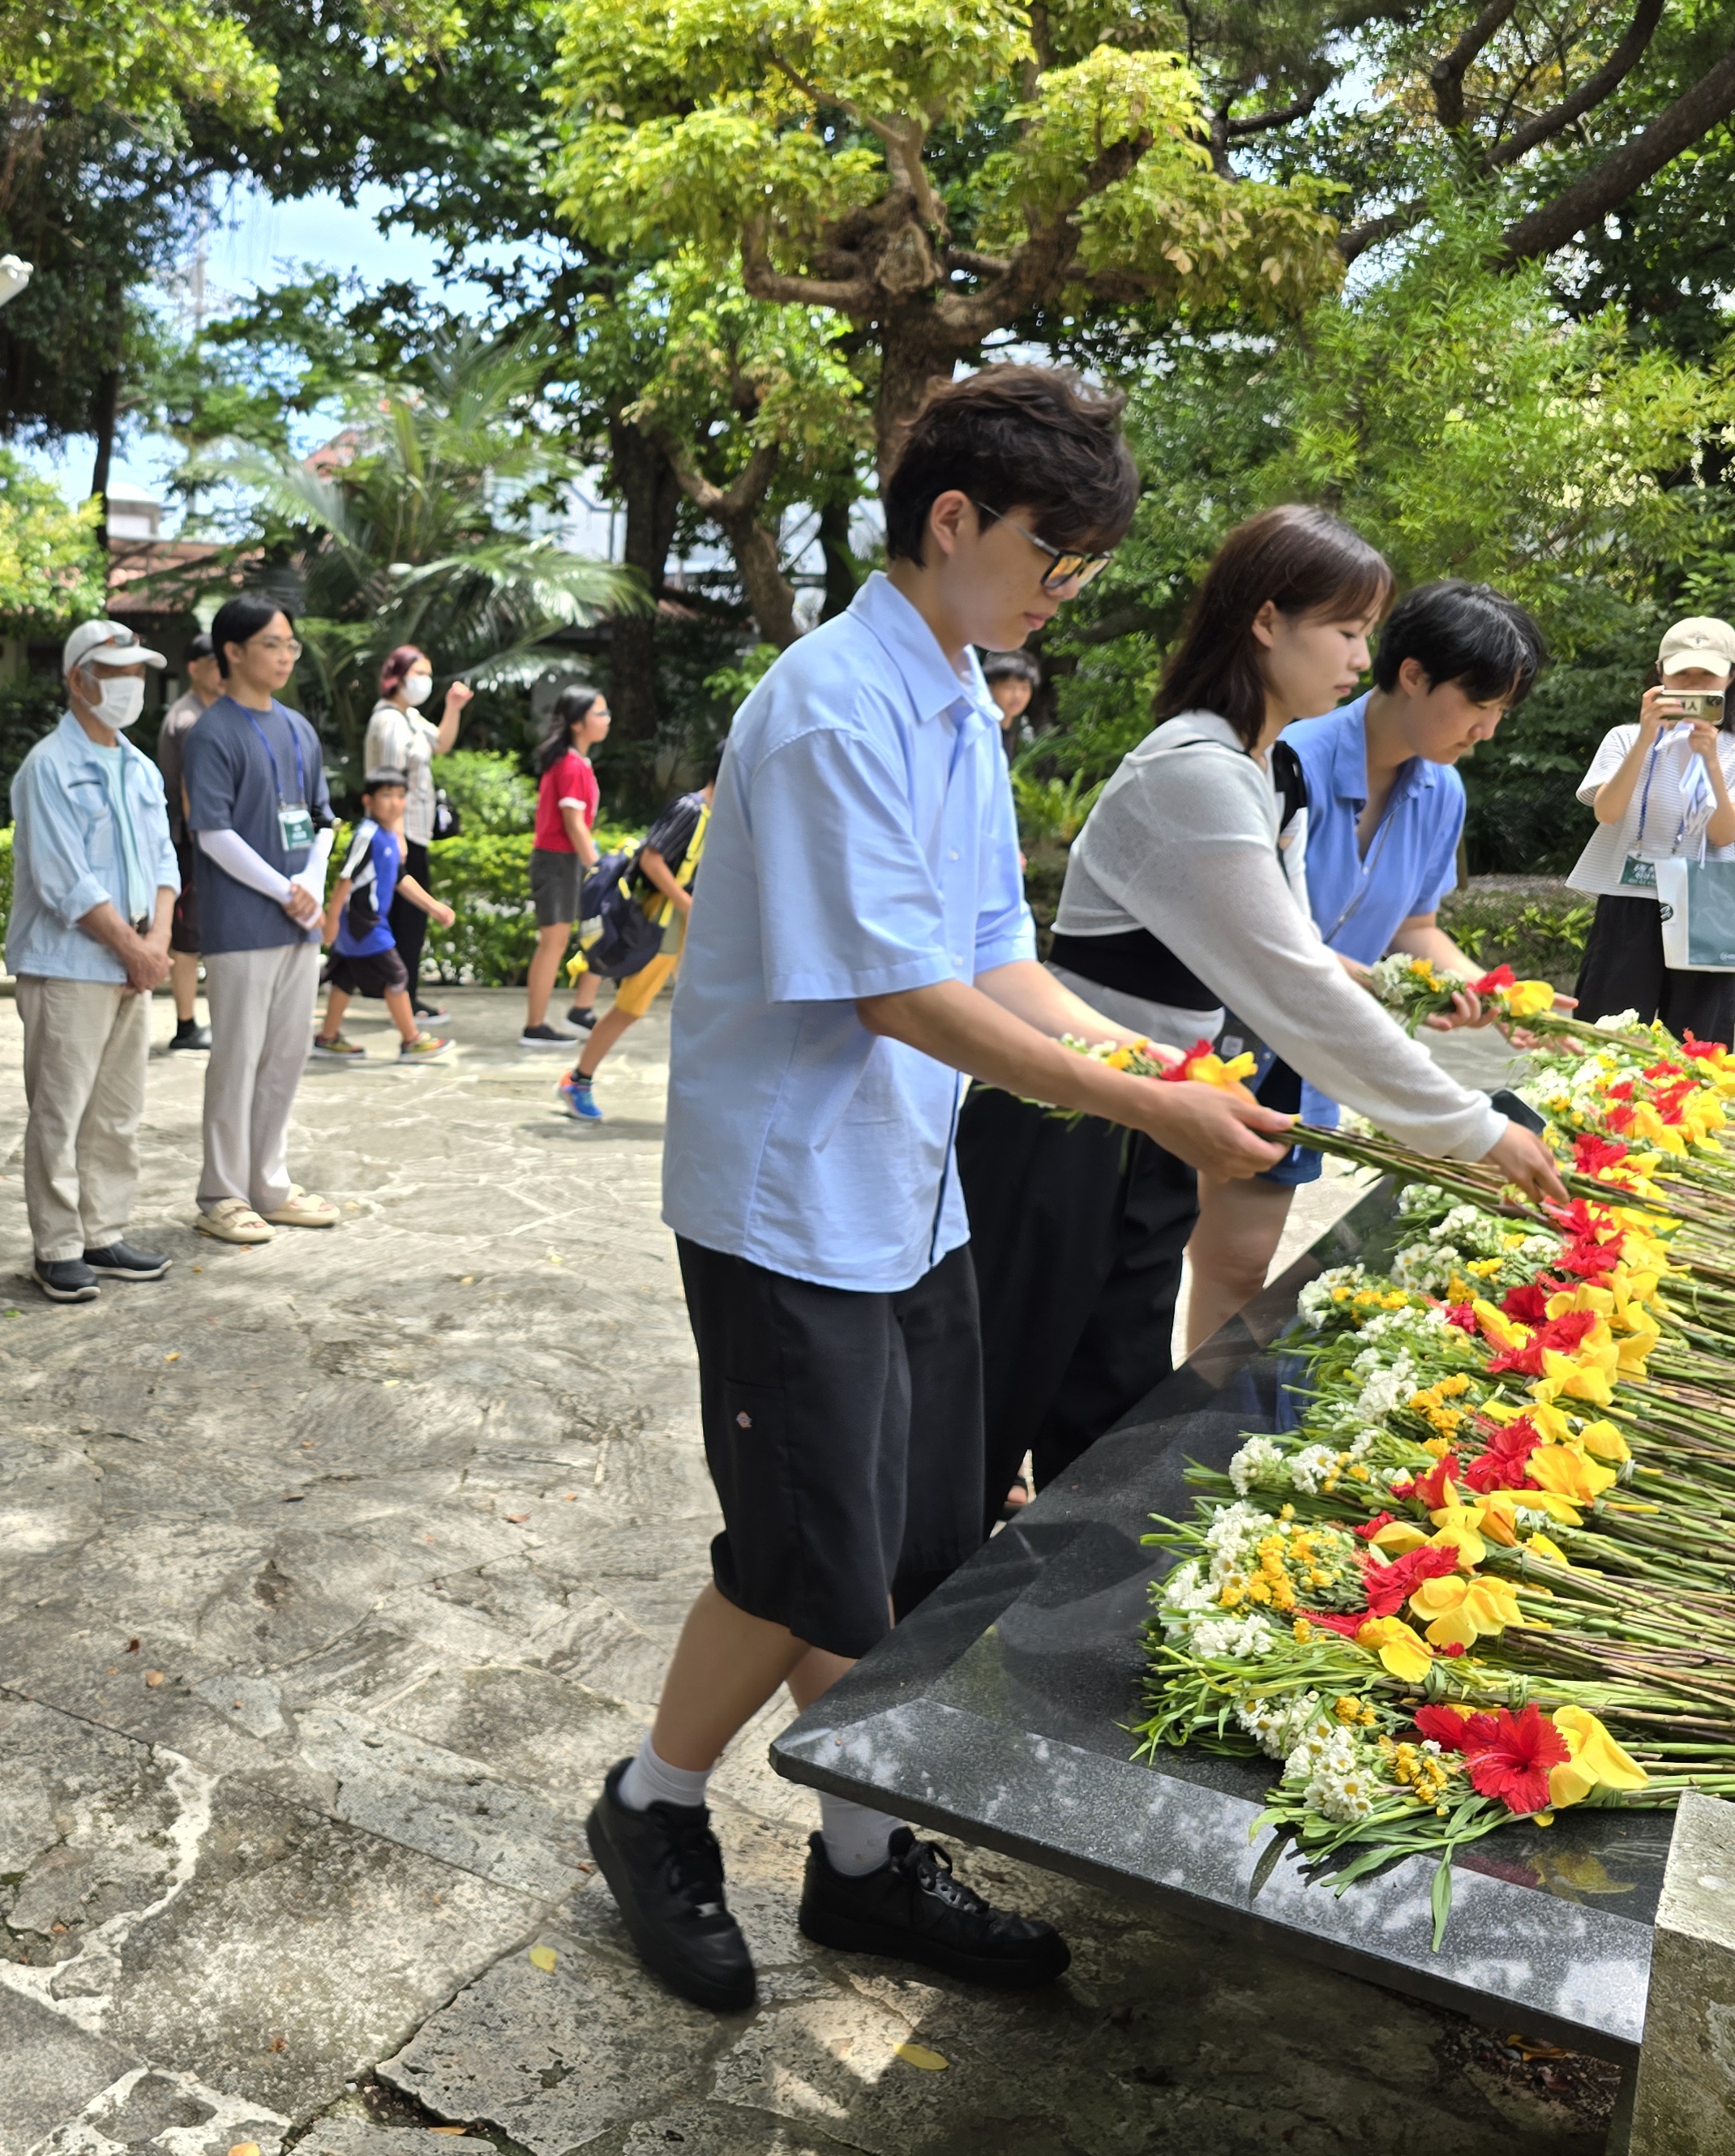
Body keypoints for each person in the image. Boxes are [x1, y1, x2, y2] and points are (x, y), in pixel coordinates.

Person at [602, 365, 1292, 2017]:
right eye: (1055, 554)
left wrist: (1160, 1069)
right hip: (788, 1206)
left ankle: (856, 1863)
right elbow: (898, 998)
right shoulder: (832, 705)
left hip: (908, 1196)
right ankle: (650, 1805)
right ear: (953, 518)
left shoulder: (957, 695)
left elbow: (996, 956)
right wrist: (1144, 1103)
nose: (1066, 590)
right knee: (802, 1554)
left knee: (905, 1547)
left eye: (1085, 565)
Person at [962, 515, 1570, 1542]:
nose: (1361, 660)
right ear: (1265, 622)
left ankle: (1051, 1615)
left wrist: (1416, 999)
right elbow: (1294, 989)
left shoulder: (1268, 769)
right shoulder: (1192, 772)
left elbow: (1302, 958)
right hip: (1061, 1126)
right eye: (1346, 631)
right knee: (981, 1419)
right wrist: (1470, 1128)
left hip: (1157, 1115)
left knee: (1104, 1411)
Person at [1180, 577, 1553, 1342]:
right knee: (1177, 1255)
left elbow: (1414, 926)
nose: (1487, 730)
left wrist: (1491, 995)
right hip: (1218, 1035)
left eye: (1501, 713)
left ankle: (1192, 1410)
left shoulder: (1442, 791)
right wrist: (1394, 988)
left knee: (1240, 1268)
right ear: (1413, 674)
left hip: (1312, 1047)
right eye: (1479, 705)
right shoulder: (1289, 760)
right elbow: (1262, 940)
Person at [8, 619, 184, 1301]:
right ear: (78, 681)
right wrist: (135, 948)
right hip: (71, 963)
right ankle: (56, 1246)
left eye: (138, 672)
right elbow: (64, 879)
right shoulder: (48, 766)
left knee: (117, 1109)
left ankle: (103, 1232)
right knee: (60, 1110)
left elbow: (165, 860)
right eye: (117, 673)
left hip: (135, 960)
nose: (132, 685)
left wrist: (157, 942)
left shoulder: (139, 766)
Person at [179, 594, 342, 1245]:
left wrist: (312, 884)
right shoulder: (211, 733)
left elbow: (324, 819)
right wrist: (285, 889)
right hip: (242, 925)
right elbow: (212, 832)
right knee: (238, 1057)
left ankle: (269, 1184)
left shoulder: (299, 728)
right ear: (234, 651)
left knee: (286, 1056)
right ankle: (222, 1193)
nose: (284, 656)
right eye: (271, 644)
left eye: (289, 645)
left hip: (299, 921)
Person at [1567, 614, 1735, 1047]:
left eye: (1707, 675)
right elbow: (1607, 811)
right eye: (1682, 674)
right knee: (1608, 1038)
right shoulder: (1624, 739)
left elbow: (1724, 835)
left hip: (1709, 903)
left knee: (1700, 1045)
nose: (1693, 686)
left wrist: (1710, 760)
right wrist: (1646, 739)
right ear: (1660, 674)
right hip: (1629, 898)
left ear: (1730, 678)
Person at [555, 776, 708, 1122]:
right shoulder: (692, 809)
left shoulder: (718, 814)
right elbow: (652, 859)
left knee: (700, 1008)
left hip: (686, 926)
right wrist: (688, 905)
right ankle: (578, 1081)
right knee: (630, 1007)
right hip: (666, 925)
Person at [314, 772, 458, 1061]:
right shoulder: (367, 836)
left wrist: (434, 907)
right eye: (386, 795)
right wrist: (331, 922)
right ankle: (411, 1040)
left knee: (345, 978)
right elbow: (345, 879)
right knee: (397, 976)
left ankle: (327, 1037)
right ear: (368, 800)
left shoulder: (389, 836)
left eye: (401, 796)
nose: (395, 803)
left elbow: (400, 878)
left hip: (364, 924)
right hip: (364, 923)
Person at [364, 644, 473, 1025]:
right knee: (407, 920)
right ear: (397, 676)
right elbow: (390, 786)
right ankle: (403, 998)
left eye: (428, 673)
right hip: (401, 834)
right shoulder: (390, 722)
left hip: (413, 833)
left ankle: (403, 994)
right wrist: (396, 837)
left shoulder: (409, 717)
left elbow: (441, 743)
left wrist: (453, 708)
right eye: (418, 673)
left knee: (408, 920)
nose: (425, 680)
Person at [520, 684, 609, 1046]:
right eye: (599, 713)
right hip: (557, 861)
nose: (607, 719)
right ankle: (535, 1027)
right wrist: (598, 868)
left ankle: (580, 1011)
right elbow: (573, 825)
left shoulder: (577, 762)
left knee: (592, 934)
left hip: (568, 861)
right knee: (553, 943)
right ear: (577, 723)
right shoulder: (570, 764)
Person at [157, 630, 221, 1050]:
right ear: (195, 668)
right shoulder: (189, 719)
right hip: (192, 843)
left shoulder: (208, 712)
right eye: (215, 665)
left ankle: (201, 1022)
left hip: (202, 842)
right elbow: (190, 792)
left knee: (202, 935)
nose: (222, 673)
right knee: (188, 937)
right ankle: (186, 1025)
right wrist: (210, 845)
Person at [982, 648, 1040, 759]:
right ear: (990, 688)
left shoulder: (1007, 731)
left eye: (1025, 688)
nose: (1018, 695)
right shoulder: (980, 731)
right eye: (1009, 687)